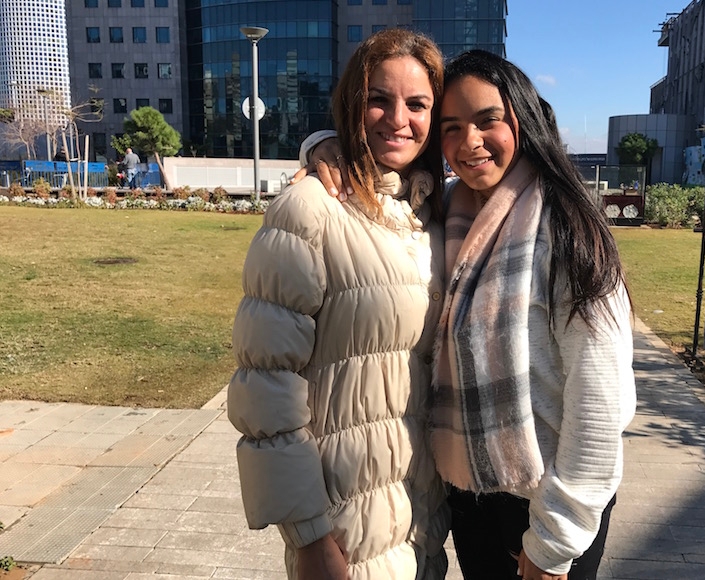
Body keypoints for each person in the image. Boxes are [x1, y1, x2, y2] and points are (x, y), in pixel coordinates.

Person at [299, 49, 637, 580]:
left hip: (548, 500)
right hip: (469, 495)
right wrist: (328, 147)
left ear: (521, 120)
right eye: (451, 127)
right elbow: (383, 179)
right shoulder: (452, 212)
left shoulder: (567, 228)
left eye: (488, 121)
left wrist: (555, 539)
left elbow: (601, 402)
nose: (469, 143)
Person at [227, 28, 449, 580]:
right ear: (353, 102)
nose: (398, 118)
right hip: (347, 536)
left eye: (417, 103)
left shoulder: (430, 216)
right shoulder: (309, 210)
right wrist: (308, 537)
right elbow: (266, 392)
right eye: (379, 99)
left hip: (423, 525)